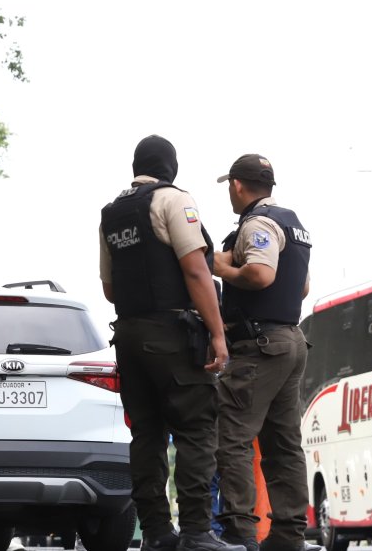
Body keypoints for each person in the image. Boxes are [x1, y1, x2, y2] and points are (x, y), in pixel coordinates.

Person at [99, 135, 241, 551]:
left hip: (127, 335)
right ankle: (197, 531)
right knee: (197, 429)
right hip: (171, 334)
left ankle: (158, 533)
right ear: (170, 167)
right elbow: (197, 271)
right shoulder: (174, 201)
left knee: (146, 434)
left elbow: (109, 289)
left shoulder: (111, 213)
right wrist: (217, 333)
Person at [210, 155, 314, 551]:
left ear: (237, 185)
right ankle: (289, 535)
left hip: (260, 346)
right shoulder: (294, 224)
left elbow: (260, 274)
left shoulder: (257, 224)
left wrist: (223, 270)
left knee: (231, 436)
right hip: (291, 339)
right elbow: (300, 287)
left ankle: (239, 532)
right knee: (283, 443)